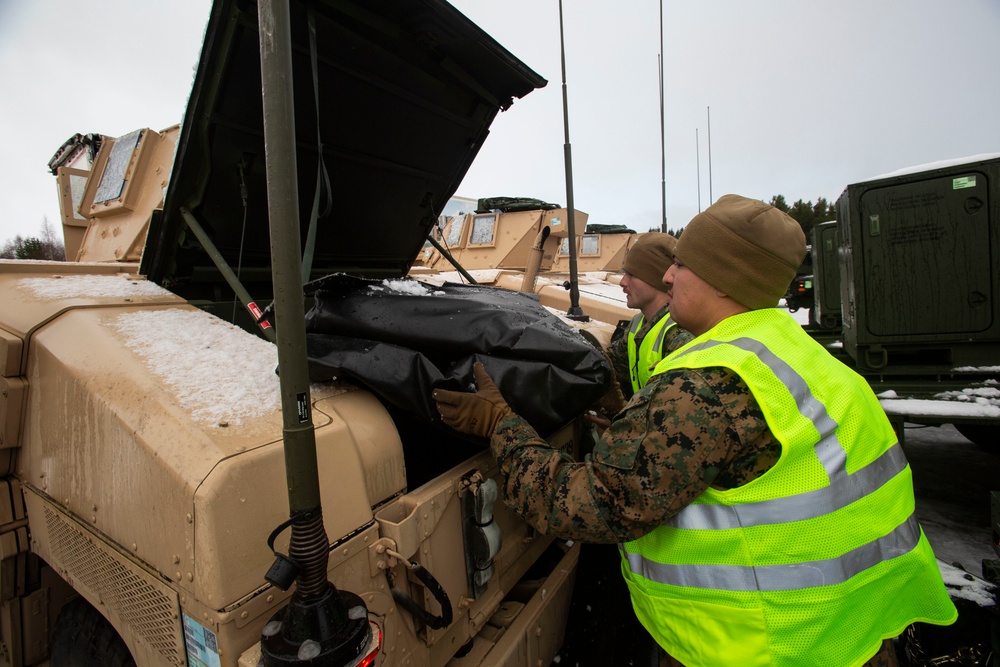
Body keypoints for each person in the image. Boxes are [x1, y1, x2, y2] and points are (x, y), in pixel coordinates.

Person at [432, 194, 957, 667]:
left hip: (766, 645)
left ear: (724, 278)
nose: (667, 276)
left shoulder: (707, 385)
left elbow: (588, 505)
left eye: (681, 264)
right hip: (854, 632)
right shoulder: (805, 362)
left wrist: (501, 426)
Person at [609, 232, 693, 400]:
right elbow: (613, 366)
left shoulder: (680, 334)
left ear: (657, 279)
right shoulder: (638, 323)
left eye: (632, 274)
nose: (622, 282)